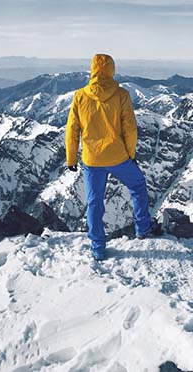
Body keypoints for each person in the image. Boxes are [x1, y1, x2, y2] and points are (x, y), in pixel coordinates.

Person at [65, 54, 153, 261]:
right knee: (138, 186)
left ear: (93, 70)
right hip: (118, 156)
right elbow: (130, 128)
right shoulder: (121, 95)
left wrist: (71, 159)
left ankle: (98, 248)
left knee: (94, 201)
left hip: (92, 159)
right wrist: (131, 155)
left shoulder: (79, 96)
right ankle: (143, 228)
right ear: (111, 70)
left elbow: (72, 130)